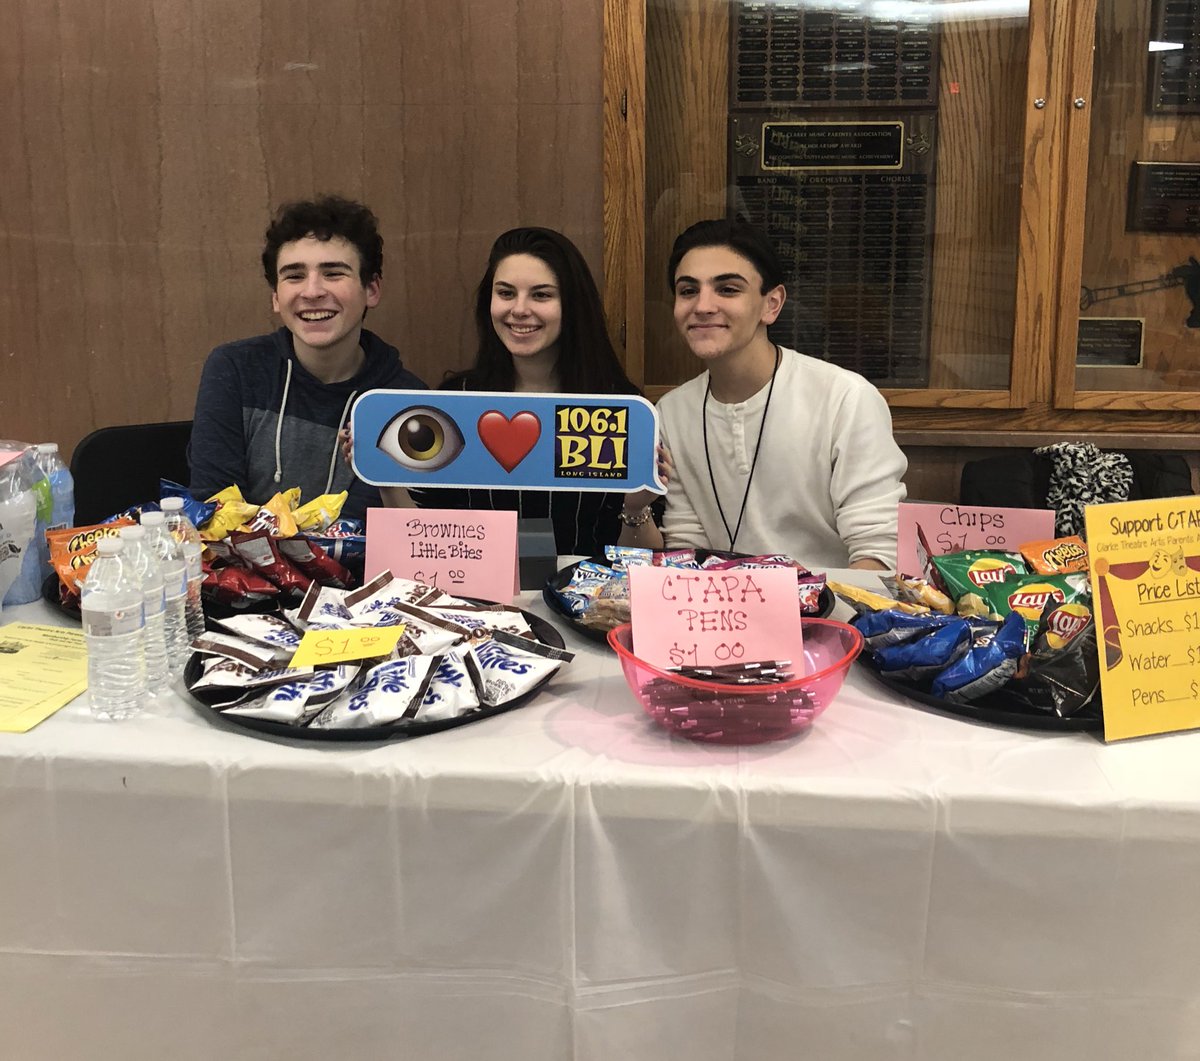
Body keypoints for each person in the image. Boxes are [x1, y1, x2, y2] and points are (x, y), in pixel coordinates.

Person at [642, 217, 907, 571]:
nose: (702, 306)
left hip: (832, 602)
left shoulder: (845, 398)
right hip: (717, 602)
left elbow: (879, 555)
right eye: (688, 290)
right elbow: (687, 550)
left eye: (728, 289)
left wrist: (813, 605)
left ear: (772, 304)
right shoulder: (673, 411)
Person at [386, 226, 662, 555]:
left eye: (541, 295)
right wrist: (382, 475)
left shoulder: (620, 410)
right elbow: (420, 540)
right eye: (505, 293)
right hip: (475, 586)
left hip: (587, 587)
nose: (519, 309)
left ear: (572, 305)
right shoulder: (456, 401)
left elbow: (643, 558)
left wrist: (635, 508)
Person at [188, 195, 426, 522]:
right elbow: (213, 508)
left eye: (333, 273)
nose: (312, 291)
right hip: (239, 556)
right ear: (276, 296)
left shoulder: (405, 400)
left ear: (371, 289)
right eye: (294, 276)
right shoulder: (234, 369)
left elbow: (363, 526)